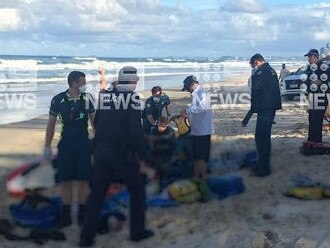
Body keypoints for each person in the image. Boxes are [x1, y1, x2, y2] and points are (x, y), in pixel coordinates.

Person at [79, 66, 154, 247]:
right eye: (135, 81)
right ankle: (137, 232)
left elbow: (97, 123)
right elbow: (136, 133)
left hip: (101, 153)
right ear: (130, 81)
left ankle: (86, 238)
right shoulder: (133, 99)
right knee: (137, 190)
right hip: (122, 155)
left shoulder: (105, 96)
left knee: (96, 195)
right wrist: (148, 158)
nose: (136, 84)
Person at [44, 71, 95, 228]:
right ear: (73, 83)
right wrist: (47, 146)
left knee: (83, 182)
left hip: (83, 145)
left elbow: (95, 123)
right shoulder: (58, 100)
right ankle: (66, 216)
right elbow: (51, 124)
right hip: (65, 145)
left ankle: (82, 215)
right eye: (83, 81)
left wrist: (100, 144)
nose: (85, 84)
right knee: (65, 182)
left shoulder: (88, 99)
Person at [249, 54, 282, 177]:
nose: (253, 68)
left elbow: (255, 88)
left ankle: (263, 168)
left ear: (257, 62)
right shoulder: (270, 70)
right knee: (264, 137)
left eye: (253, 65)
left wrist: (253, 75)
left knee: (261, 138)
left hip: (266, 108)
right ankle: (263, 165)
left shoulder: (261, 72)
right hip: (269, 107)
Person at [180, 76, 213, 180]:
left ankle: (202, 179)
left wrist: (187, 111)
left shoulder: (203, 94)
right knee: (197, 156)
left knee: (201, 158)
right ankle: (197, 178)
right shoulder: (197, 94)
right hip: (197, 130)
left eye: (188, 88)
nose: (188, 91)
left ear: (192, 85)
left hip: (202, 131)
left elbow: (202, 108)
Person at [304, 49, 330, 143]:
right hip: (312, 96)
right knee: (311, 118)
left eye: (311, 57)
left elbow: (325, 79)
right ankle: (311, 140)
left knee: (317, 119)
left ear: (316, 57)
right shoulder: (309, 68)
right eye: (308, 57)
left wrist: (319, 82)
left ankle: (317, 141)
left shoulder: (323, 67)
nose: (309, 59)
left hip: (321, 96)